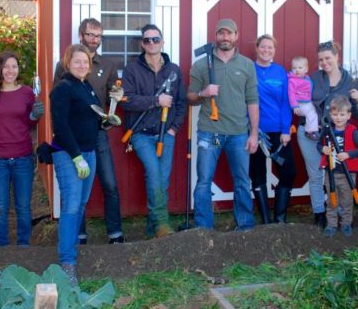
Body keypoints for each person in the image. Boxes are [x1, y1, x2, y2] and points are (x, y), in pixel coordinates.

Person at [53, 18, 125, 244]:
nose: (94, 39)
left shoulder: (108, 64)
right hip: (72, 135)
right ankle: (79, 236)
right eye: (90, 35)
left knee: (110, 184)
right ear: (80, 35)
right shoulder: (64, 66)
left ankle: (115, 234)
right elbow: (58, 102)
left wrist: (118, 97)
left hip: (97, 132)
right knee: (75, 191)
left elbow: (117, 91)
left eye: (98, 36)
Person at [188, 18, 259, 230]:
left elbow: (252, 100)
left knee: (242, 182)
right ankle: (203, 229)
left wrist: (253, 133)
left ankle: (245, 227)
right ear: (215, 36)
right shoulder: (201, 64)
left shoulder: (247, 65)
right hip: (209, 132)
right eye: (221, 33)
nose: (225, 37)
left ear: (236, 36)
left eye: (229, 33)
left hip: (239, 133)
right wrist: (203, 93)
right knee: (203, 183)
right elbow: (190, 97)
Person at [0, 51, 45, 247]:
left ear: (19, 69)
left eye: (14, 66)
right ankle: (1, 248)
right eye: (6, 67)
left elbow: (28, 123)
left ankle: (24, 247)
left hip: (22, 157)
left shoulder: (28, 93)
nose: (10, 70)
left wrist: (34, 116)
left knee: (23, 207)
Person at [122, 24, 186, 238]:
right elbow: (127, 101)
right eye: (147, 40)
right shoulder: (132, 69)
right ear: (142, 44)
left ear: (162, 42)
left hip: (165, 134)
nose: (151, 43)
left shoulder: (173, 70)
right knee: (155, 174)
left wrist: (174, 129)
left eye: (155, 39)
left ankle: (153, 229)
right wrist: (156, 100)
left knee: (163, 180)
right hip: (140, 133)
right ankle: (162, 224)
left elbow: (180, 103)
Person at [295, 41, 358, 229]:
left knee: (337, 174)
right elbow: (299, 95)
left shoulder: (351, 82)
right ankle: (319, 213)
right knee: (316, 174)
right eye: (320, 60)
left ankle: (340, 213)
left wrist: (357, 100)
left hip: (335, 136)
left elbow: (357, 115)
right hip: (310, 132)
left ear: (336, 57)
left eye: (327, 58)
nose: (324, 63)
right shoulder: (313, 78)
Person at [50, 44, 100, 287]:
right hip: (69, 155)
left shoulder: (86, 87)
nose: (82, 65)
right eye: (77, 61)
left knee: (80, 203)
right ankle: (67, 262)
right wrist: (76, 155)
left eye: (85, 62)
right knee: (70, 205)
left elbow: (93, 117)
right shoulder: (63, 88)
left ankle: (72, 248)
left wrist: (107, 121)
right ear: (68, 64)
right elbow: (60, 125)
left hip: (89, 153)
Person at [249, 35, 296, 224]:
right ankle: (266, 221)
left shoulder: (280, 72)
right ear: (257, 48)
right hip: (256, 132)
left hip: (279, 132)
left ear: (274, 51)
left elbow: (286, 102)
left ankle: (280, 218)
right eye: (263, 47)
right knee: (258, 173)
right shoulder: (249, 69)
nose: (266, 50)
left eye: (270, 48)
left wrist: (286, 130)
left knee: (289, 171)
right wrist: (251, 129)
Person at [317, 96, 358, 237]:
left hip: (348, 173)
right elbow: (319, 145)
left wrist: (348, 154)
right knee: (332, 200)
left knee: (346, 200)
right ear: (330, 115)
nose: (338, 118)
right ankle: (331, 224)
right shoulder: (327, 131)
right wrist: (323, 150)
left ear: (348, 115)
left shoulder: (353, 131)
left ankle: (346, 223)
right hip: (331, 173)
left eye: (342, 114)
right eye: (335, 114)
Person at [288, 56, 318, 140]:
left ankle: (313, 125)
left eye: (300, 68)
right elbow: (291, 93)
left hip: (306, 101)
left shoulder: (306, 78)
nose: (297, 70)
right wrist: (295, 105)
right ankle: (310, 131)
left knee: (314, 110)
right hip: (298, 104)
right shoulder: (292, 80)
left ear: (306, 69)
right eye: (294, 68)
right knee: (311, 113)